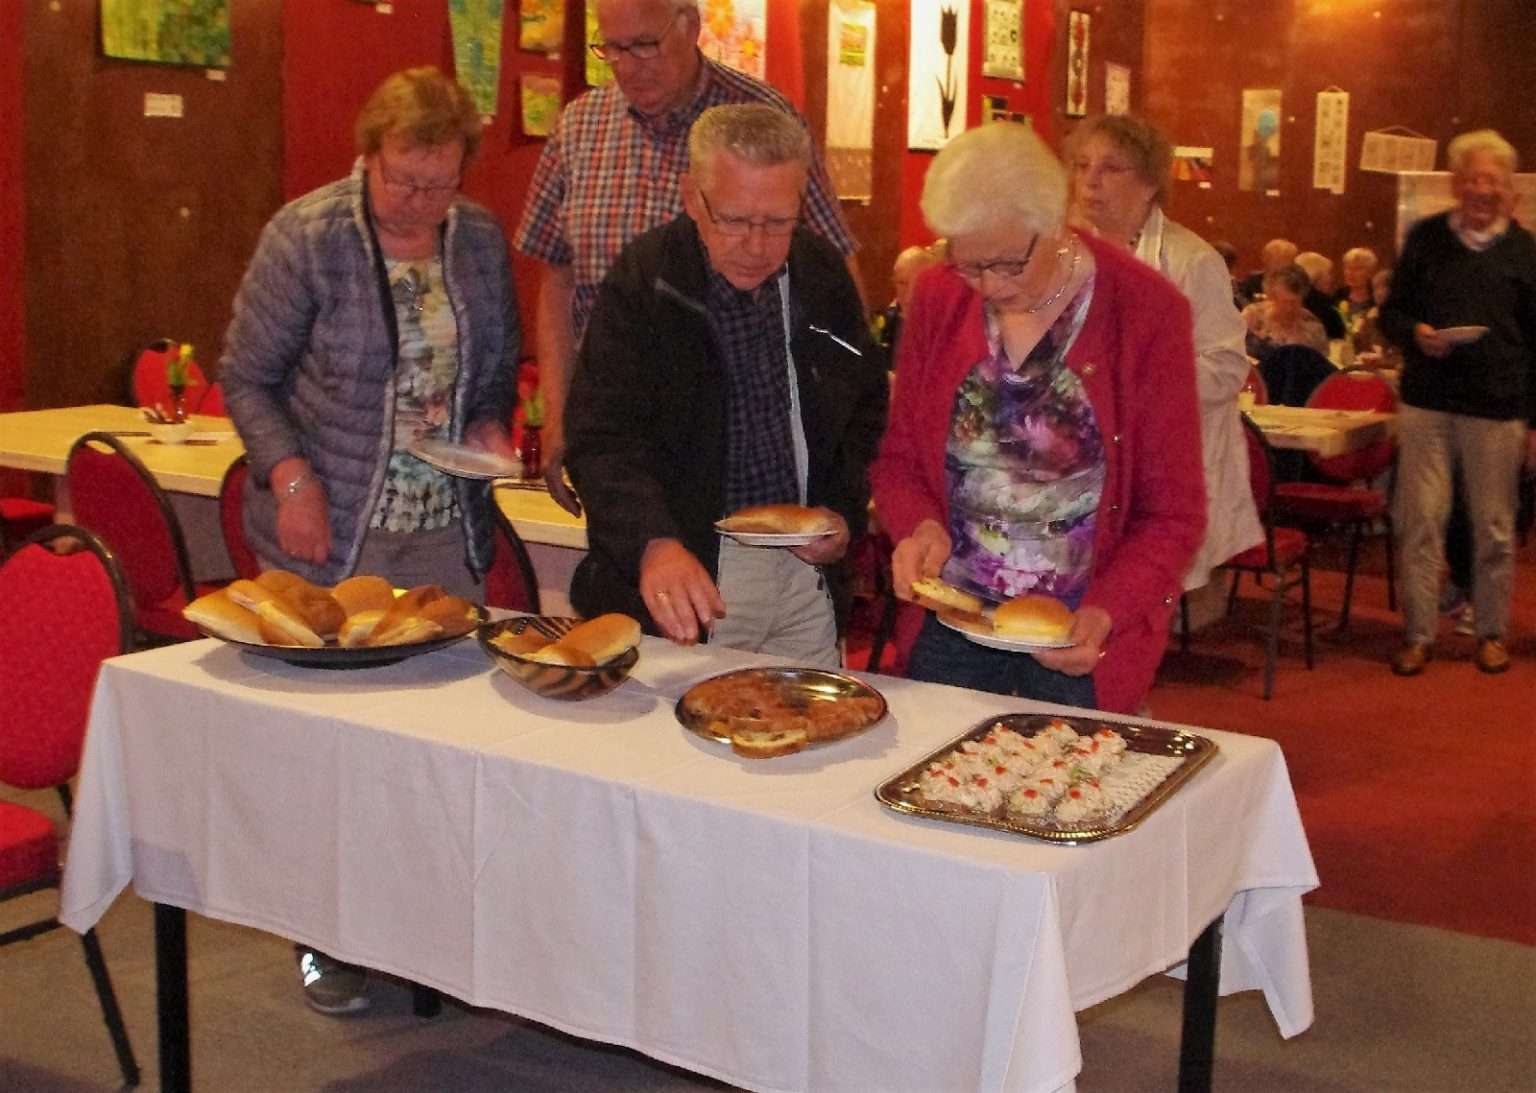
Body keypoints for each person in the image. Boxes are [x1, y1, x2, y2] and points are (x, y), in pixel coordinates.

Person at [221, 66, 520, 1014]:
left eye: (439, 185)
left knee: (437, 746)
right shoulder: (308, 236)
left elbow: (495, 369)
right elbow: (246, 378)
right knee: (333, 756)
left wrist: (487, 428)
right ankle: (327, 937)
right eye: (402, 179)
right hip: (332, 529)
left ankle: (428, 935)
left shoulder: (477, 240)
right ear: (369, 155)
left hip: (442, 529)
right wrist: (291, 479)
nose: (419, 202)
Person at [871, 121, 1206, 714]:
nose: (988, 286)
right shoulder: (939, 295)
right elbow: (899, 461)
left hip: (1078, 633)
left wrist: (1109, 610)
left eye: (1009, 264)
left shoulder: (1146, 311)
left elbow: (1174, 513)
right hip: (953, 625)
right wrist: (918, 527)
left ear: (1054, 222)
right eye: (968, 264)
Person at [563, 105, 887, 664]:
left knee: (808, 717)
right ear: (692, 197)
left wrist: (842, 513)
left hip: (804, 574)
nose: (757, 246)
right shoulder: (647, 282)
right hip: (692, 568)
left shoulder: (821, 274)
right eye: (735, 220)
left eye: (779, 222)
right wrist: (652, 542)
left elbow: (862, 408)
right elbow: (601, 438)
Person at [514, 0, 859, 515]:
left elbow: (835, 274)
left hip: (737, 453)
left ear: (691, 27)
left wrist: (840, 452)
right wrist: (560, 418)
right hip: (616, 440)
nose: (628, 65)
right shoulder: (578, 129)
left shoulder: (762, 119)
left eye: (645, 45)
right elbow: (557, 281)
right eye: (612, 49)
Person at [1068, 114, 1261, 594]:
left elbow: (1226, 368)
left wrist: (1138, 381)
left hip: (1160, 460)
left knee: (1140, 595)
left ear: (1151, 183)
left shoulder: (1191, 261)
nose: (1091, 180)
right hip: (1077, 461)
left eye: (1112, 168)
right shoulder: (1061, 254)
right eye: (1082, 165)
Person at [1380, 129, 1536, 677]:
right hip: (1427, 402)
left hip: (1498, 406)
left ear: (1508, 189)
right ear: (1455, 184)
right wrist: (1415, 333)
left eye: (1491, 180)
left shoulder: (1526, 251)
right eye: (1471, 178)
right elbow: (1391, 313)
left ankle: (1490, 633)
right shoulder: (1425, 239)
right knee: (1420, 520)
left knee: (1495, 526)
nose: (1481, 189)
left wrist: (1534, 423)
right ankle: (1419, 635)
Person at [872, 244, 943, 371]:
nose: (909, 293)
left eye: (918, 285)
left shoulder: (944, 327)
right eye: (902, 283)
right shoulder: (886, 322)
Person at [1242, 264, 1330, 360]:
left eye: (1295, 302)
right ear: (1271, 297)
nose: (1289, 308)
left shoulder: (1313, 326)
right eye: (1284, 302)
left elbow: (1321, 364)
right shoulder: (1251, 317)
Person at [1295, 251, 1347, 340]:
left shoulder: (1291, 298)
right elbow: (1338, 337)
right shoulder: (1324, 306)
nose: (1331, 279)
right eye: (1329, 273)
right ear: (1317, 276)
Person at [1237, 237, 1298, 305]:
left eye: (1285, 261)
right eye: (1276, 261)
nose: (1280, 266)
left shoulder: (1296, 284)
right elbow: (1241, 305)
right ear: (1265, 259)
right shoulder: (1252, 281)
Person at [1337, 245, 1380, 333]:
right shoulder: (1337, 296)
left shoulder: (1377, 298)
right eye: (1348, 268)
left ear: (1370, 272)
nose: (1351, 273)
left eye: (1358, 269)